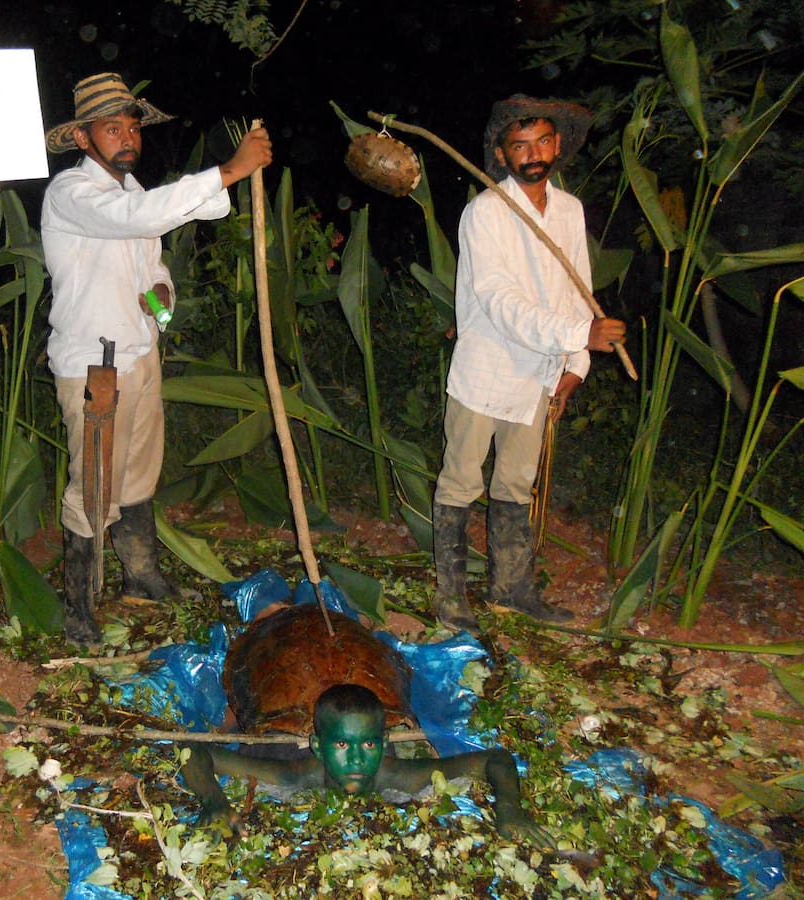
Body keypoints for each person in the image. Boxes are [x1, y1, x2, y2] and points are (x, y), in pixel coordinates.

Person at [41, 73, 273, 643]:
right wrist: (227, 172)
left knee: (139, 474)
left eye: (131, 127)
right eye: (111, 128)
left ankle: (141, 575)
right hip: (96, 366)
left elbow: (149, 253)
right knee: (95, 487)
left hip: (139, 355)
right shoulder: (71, 192)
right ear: (82, 138)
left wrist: (160, 289)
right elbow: (137, 222)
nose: (126, 138)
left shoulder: (133, 191)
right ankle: (78, 609)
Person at [431, 95, 627, 633]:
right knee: (459, 484)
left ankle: (511, 591)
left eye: (542, 141)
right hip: (486, 371)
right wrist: (577, 335)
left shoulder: (569, 211)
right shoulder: (487, 212)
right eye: (520, 146)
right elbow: (500, 302)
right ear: (502, 154)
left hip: (538, 375)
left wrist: (573, 366)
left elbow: (576, 291)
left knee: (516, 485)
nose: (533, 154)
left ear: (558, 145)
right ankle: (450, 598)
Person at [180, 683, 548, 843]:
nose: (356, 758)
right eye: (341, 745)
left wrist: (510, 809)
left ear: (385, 744)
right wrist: (214, 799)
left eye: (369, 744)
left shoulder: (399, 775)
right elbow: (195, 751)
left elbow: (495, 759)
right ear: (318, 747)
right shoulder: (296, 773)